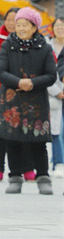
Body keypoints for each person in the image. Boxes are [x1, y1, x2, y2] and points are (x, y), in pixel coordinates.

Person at [0, 7, 56, 195]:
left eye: (24, 25)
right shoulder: (7, 45)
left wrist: (32, 83)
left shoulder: (45, 48)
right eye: (18, 25)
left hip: (36, 101)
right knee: (12, 140)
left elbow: (51, 75)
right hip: (12, 102)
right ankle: (14, 178)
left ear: (34, 27)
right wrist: (19, 82)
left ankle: (43, 177)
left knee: (38, 141)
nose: (19, 28)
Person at [0, 7, 36, 182]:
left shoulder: (33, 43)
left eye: (17, 20)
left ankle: (27, 169)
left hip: (24, 95)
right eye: (9, 20)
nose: (12, 24)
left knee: (25, 134)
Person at [47, 17, 64, 178]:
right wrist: (55, 91)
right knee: (56, 130)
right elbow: (43, 72)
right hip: (54, 95)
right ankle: (58, 162)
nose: (61, 29)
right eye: (58, 26)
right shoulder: (47, 47)